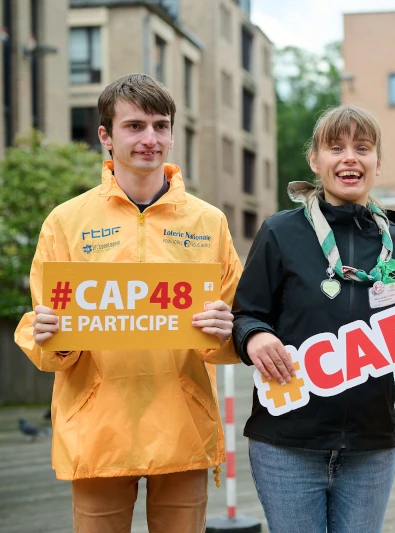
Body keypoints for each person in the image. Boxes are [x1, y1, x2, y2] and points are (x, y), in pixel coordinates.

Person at [14, 73, 242, 533]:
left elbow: (236, 329)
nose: (150, 139)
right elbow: (47, 335)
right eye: (134, 126)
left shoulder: (209, 222)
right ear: (106, 136)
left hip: (183, 424)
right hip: (98, 430)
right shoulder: (66, 221)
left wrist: (227, 330)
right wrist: (47, 336)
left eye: (160, 125)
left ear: (173, 134)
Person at [232, 104, 395, 533]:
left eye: (362, 148)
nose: (350, 157)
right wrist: (255, 336)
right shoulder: (280, 232)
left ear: (377, 163)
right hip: (287, 442)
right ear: (315, 161)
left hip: (370, 447)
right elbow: (246, 314)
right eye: (336, 147)